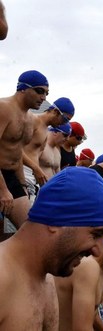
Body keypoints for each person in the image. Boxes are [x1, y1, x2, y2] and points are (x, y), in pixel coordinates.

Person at [0, 166, 103, 330]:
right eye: (96, 234)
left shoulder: (46, 279)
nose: (98, 250)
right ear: (56, 220)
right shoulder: (2, 278)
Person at [0, 70, 49, 238]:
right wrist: (3, 190)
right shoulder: (4, 108)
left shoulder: (30, 119)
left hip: (11, 176)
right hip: (1, 179)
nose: (43, 97)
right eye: (39, 91)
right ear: (22, 88)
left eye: (46, 93)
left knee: (29, 232)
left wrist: (22, 186)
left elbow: (16, 153)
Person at [23, 97, 75, 201]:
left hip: (32, 183)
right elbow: (14, 149)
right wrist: (36, 169)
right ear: (55, 111)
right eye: (65, 120)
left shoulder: (44, 132)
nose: (64, 124)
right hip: (21, 179)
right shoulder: (32, 121)